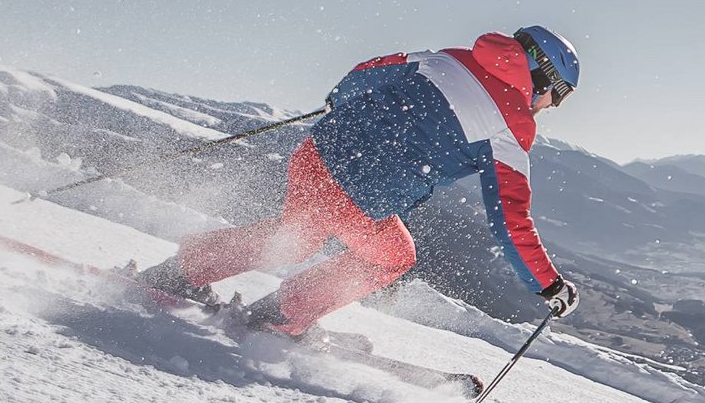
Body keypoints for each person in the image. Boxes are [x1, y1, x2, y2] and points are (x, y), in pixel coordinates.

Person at [135, 26, 581, 337]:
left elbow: (368, 71)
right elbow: (510, 218)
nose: (551, 107)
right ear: (543, 75)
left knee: (297, 238)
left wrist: (340, 105)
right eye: (557, 96)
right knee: (393, 257)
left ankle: (182, 271)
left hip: (316, 154)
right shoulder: (512, 126)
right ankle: (280, 317)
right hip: (358, 197)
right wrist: (547, 284)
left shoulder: (449, 58)